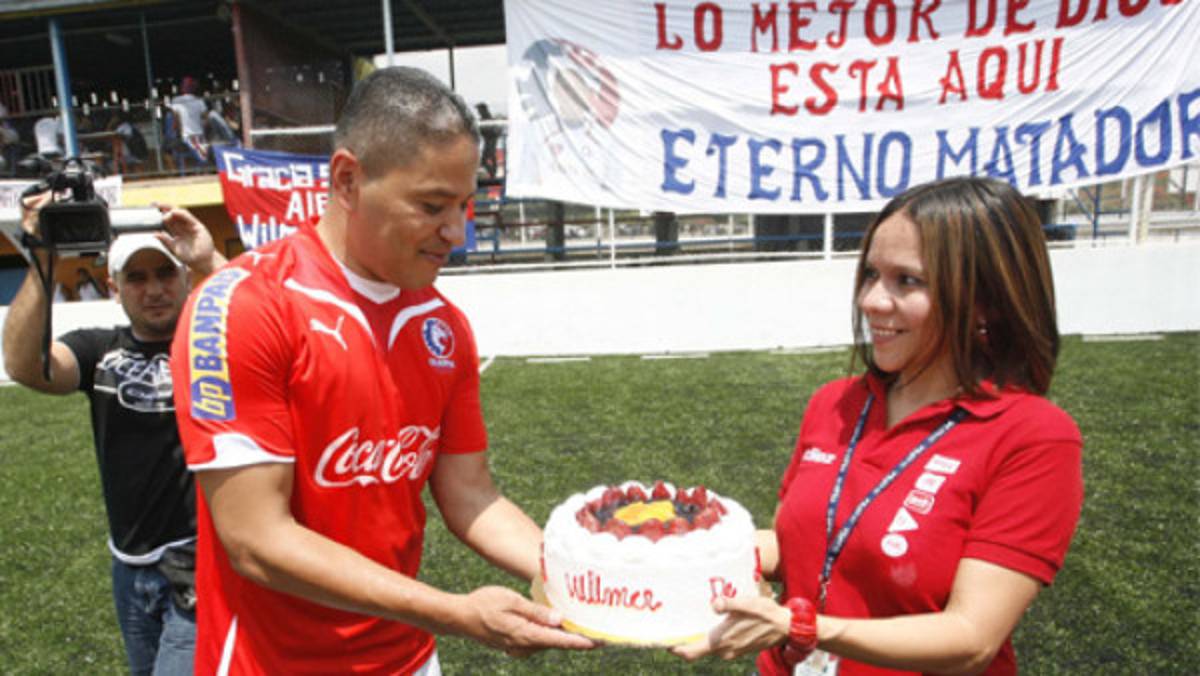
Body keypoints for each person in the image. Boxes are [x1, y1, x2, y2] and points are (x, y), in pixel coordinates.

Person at [169, 66, 593, 674]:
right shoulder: (241, 306)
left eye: (465, 205)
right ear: (348, 179)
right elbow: (256, 541)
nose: (457, 231)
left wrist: (589, 580)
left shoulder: (443, 325)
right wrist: (452, 612)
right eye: (432, 205)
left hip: (408, 658)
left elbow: (470, 495)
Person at [674, 177, 1084, 675]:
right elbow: (802, 541)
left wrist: (805, 627)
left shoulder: (1033, 436)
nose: (871, 300)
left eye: (906, 281)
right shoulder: (835, 403)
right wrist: (673, 547)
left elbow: (971, 637)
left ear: (984, 299)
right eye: (870, 274)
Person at [2, 193, 226, 675]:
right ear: (114, 286)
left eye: (166, 274)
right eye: (137, 278)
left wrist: (208, 258)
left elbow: (274, 316)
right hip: (129, 566)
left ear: (185, 278)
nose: (154, 290)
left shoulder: (216, 343)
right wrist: (42, 256)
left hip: (198, 565)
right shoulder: (96, 349)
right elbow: (24, 366)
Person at [169, 76, 210, 163]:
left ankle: (176, 167)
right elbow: (206, 120)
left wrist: (173, 133)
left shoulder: (176, 100)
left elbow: (175, 121)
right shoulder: (199, 101)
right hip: (199, 135)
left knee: (168, 147)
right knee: (202, 152)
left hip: (186, 136)